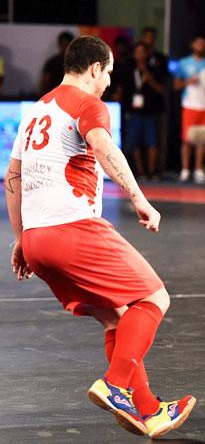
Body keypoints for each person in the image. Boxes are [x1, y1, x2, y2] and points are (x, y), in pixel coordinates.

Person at [3, 35, 195, 438]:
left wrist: (22, 238)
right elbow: (105, 148)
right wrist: (140, 199)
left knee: (116, 317)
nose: (109, 80)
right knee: (155, 297)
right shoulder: (88, 104)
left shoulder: (37, 111)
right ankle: (115, 384)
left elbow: (13, 177)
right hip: (73, 229)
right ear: (95, 68)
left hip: (38, 241)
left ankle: (149, 410)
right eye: (108, 72)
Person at [173, 36, 205, 184]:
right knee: (187, 139)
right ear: (193, 45)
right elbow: (176, 86)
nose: (201, 46)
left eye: (203, 44)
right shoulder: (184, 63)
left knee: (202, 140)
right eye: (198, 43)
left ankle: (198, 169)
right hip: (190, 105)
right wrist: (188, 81)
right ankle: (185, 170)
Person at [119, 42, 167, 180]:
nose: (139, 54)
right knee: (134, 142)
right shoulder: (128, 68)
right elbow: (123, 89)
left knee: (151, 142)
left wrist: (149, 77)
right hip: (133, 111)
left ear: (147, 53)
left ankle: (151, 171)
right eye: (137, 51)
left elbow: (161, 89)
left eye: (142, 52)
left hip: (149, 111)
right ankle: (140, 172)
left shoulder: (154, 69)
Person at [39, 31, 74, 96]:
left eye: (68, 44)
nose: (67, 47)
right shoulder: (52, 63)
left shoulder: (78, 62)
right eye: (65, 44)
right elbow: (44, 83)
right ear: (59, 45)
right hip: (54, 97)